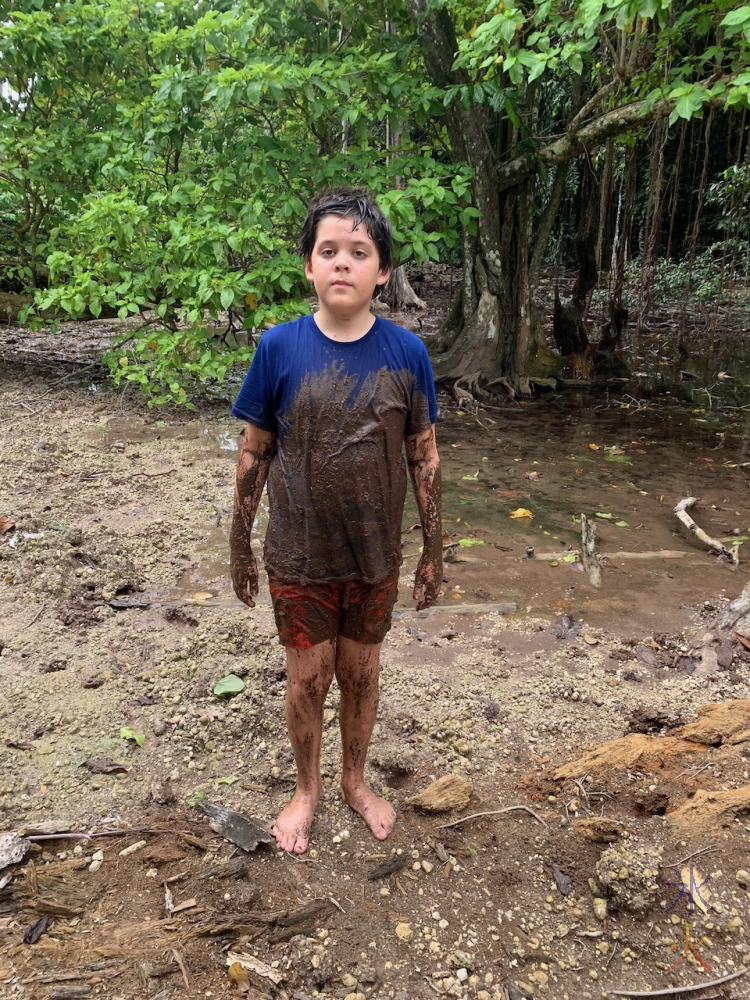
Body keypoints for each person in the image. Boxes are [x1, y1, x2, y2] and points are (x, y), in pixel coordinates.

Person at [230, 187, 442, 855]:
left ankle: (355, 779)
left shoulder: (407, 355)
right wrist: (238, 547)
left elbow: (424, 457)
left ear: (383, 272)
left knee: (362, 672)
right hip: (298, 554)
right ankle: (307, 789)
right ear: (309, 266)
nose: (342, 264)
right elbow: (254, 452)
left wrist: (435, 552)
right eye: (329, 251)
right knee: (306, 676)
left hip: (375, 555)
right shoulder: (279, 348)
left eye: (359, 252)